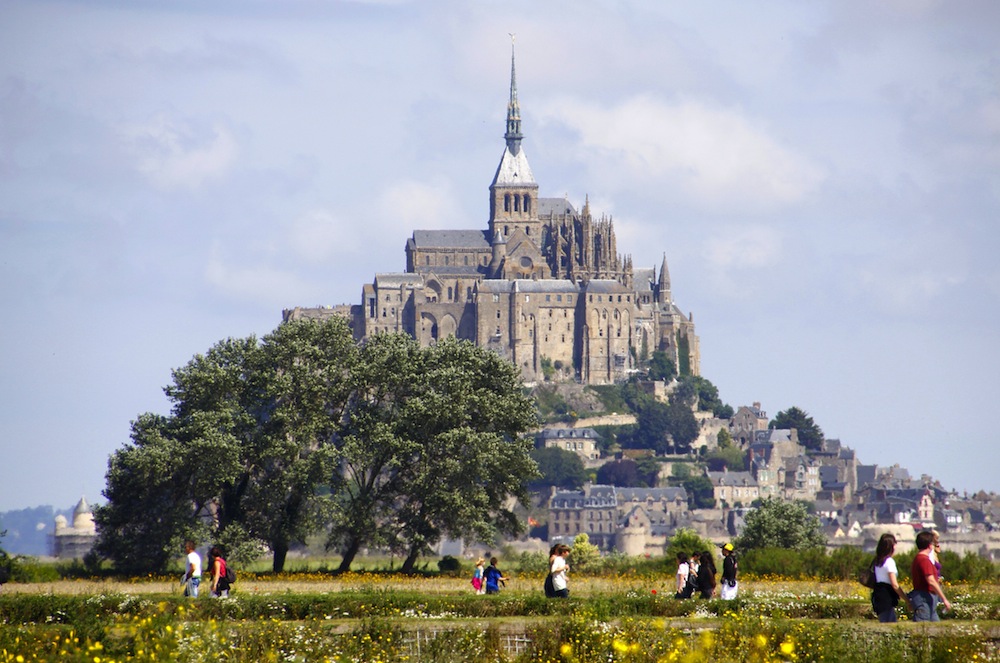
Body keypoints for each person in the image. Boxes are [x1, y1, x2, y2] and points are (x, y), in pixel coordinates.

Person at [909, 530, 952, 622]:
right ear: (929, 545)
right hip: (924, 598)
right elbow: (931, 581)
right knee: (923, 628)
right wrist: (944, 599)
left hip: (926, 598)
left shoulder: (918, 558)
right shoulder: (924, 560)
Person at [870, 533, 910, 622]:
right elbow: (895, 585)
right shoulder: (889, 561)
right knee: (889, 622)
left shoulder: (877, 561)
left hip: (878, 594)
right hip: (886, 596)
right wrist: (906, 599)